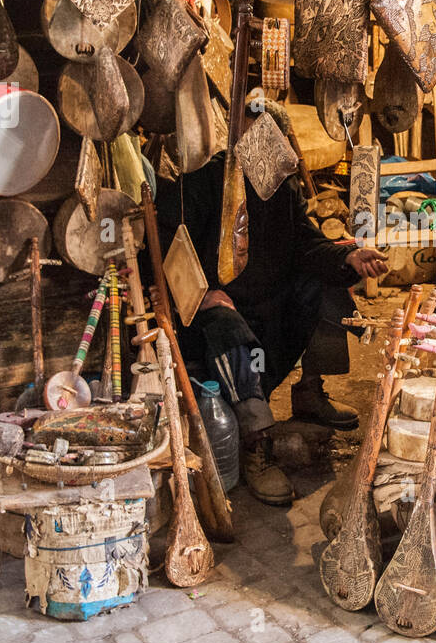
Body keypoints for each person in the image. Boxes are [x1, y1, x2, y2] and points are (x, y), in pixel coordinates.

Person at [155, 150, 388, 505]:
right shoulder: (203, 181)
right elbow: (164, 243)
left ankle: (310, 392)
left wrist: (347, 257)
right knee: (226, 327)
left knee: (326, 286)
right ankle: (255, 444)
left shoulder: (280, 185)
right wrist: (197, 292)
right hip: (212, 311)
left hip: (268, 302)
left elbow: (306, 244)